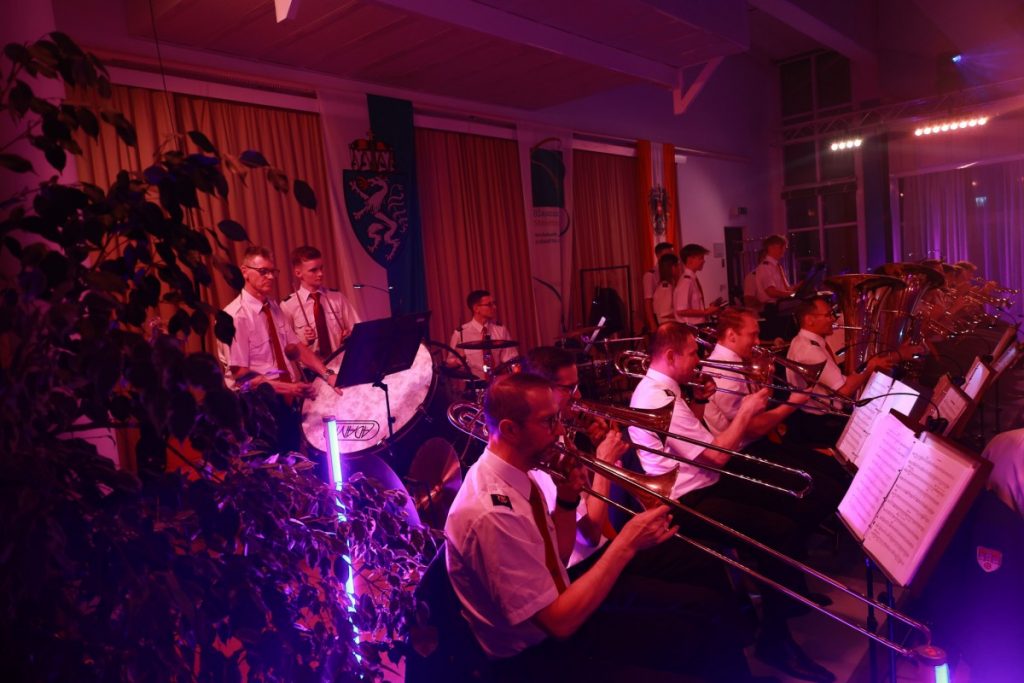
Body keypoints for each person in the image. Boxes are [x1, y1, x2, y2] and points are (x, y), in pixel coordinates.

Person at [445, 372, 765, 682]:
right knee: (686, 641)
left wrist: (567, 499)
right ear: (509, 430)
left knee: (698, 622)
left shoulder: (516, 473)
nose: (560, 431)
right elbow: (559, 623)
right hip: (536, 658)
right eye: (549, 421)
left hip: (559, 615)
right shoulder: (492, 513)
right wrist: (627, 543)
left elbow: (558, 557)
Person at [629, 321, 837, 683]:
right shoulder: (656, 397)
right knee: (779, 531)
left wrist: (698, 401)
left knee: (792, 501)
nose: (699, 359)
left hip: (702, 481)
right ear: (671, 356)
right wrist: (746, 411)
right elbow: (714, 456)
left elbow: (689, 442)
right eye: (693, 353)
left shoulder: (665, 387)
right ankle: (775, 640)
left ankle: (783, 595)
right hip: (684, 500)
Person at [704, 307, 849, 521]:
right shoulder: (723, 371)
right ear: (732, 335)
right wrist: (793, 403)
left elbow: (760, 408)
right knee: (826, 490)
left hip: (759, 444)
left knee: (832, 469)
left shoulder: (736, 362)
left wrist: (767, 380)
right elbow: (753, 428)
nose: (758, 341)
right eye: (753, 335)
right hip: (743, 456)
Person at [219, 246, 336, 451]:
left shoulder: (272, 306)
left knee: (294, 458)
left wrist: (327, 374)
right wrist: (290, 388)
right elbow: (242, 377)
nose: (271, 277)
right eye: (263, 271)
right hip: (257, 407)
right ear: (244, 272)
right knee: (270, 464)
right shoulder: (235, 317)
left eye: (273, 271)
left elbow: (297, 346)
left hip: (284, 399)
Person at [785, 296, 907, 445]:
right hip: (820, 426)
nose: (833, 319)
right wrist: (870, 367)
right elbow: (843, 392)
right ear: (809, 320)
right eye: (828, 315)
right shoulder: (811, 350)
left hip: (810, 419)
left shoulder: (801, 340)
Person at [281, 245, 361, 361]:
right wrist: (303, 342)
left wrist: (350, 336)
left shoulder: (337, 298)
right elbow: (285, 349)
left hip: (340, 364)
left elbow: (358, 329)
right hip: (310, 369)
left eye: (321, 268)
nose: (320, 274)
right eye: (313, 270)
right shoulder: (288, 306)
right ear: (298, 273)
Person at [449, 289, 518, 379]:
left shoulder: (500, 329)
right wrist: (459, 360)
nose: (494, 307)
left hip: (496, 382)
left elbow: (511, 358)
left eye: (494, 303)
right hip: (474, 383)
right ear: (476, 309)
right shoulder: (460, 333)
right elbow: (449, 363)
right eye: (489, 305)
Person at [754, 235, 798, 339]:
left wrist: (801, 286)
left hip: (780, 307)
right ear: (772, 247)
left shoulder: (776, 266)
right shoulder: (765, 267)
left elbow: (786, 289)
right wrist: (791, 294)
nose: (784, 250)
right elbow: (771, 292)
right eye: (782, 247)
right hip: (772, 309)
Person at [674, 243, 720, 327]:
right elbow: (681, 310)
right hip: (691, 327)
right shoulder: (686, 281)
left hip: (696, 325)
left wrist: (708, 310)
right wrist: (706, 312)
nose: (703, 261)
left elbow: (692, 308)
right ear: (690, 260)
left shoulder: (692, 279)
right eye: (700, 258)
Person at [642, 241, 675, 331]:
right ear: (658, 255)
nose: (669, 258)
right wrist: (652, 324)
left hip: (670, 317)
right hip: (659, 317)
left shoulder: (670, 273)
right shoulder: (650, 275)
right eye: (667, 255)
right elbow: (648, 302)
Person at [652, 252, 680, 326]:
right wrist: (683, 314)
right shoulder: (665, 288)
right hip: (668, 326)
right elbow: (665, 313)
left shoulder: (667, 286)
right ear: (672, 267)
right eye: (677, 266)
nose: (679, 269)